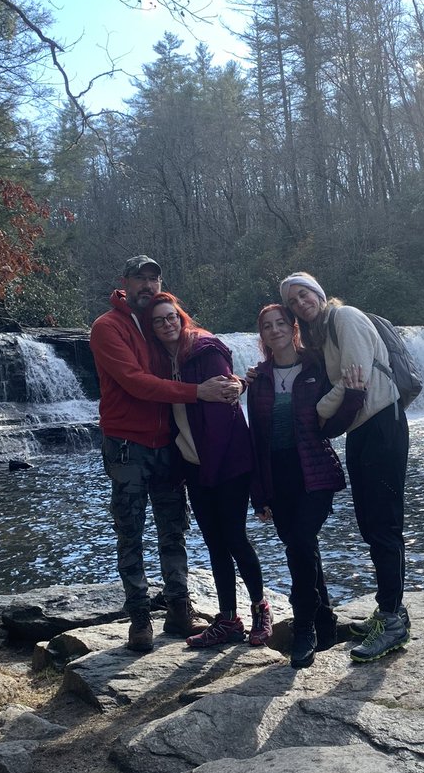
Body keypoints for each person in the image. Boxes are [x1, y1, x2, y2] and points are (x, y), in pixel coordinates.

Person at [89, 255, 238, 653]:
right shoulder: (107, 328)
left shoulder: (159, 322)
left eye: (153, 279)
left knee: (174, 531)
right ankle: (139, 618)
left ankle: (178, 610)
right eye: (139, 279)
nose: (147, 286)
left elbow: (197, 347)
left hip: (168, 446)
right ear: (124, 282)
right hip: (127, 446)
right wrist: (197, 393)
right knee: (130, 532)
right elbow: (136, 382)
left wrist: (235, 379)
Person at [279, 272, 410, 663]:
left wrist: (317, 411)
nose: (302, 304)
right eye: (295, 302)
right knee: (371, 524)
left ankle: (392, 621)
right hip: (363, 429)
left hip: (382, 425)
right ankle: (390, 609)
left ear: (318, 293)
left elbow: (358, 377)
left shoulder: (347, 317)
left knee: (383, 524)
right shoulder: (323, 332)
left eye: (305, 296)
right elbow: (346, 383)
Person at [142, 292, 272, 649]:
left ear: (181, 317)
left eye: (171, 316)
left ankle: (261, 609)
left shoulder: (205, 348)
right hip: (196, 465)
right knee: (215, 544)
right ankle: (228, 619)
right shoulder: (162, 360)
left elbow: (222, 413)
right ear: (152, 328)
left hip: (227, 462)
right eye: (158, 320)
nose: (167, 324)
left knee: (234, 538)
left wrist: (238, 385)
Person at [246, 304, 365, 669]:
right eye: (267, 326)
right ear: (262, 335)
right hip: (277, 478)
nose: (275, 330)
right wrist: (258, 495)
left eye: (281, 322)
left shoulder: (316, 365)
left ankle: (305, 629)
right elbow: (256, 440)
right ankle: (326, 622)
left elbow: (330, 425)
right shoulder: (259, 378)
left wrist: (356, 395)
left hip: (314, 473)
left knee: (299, 542)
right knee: (303, 547)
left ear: (293, 327)